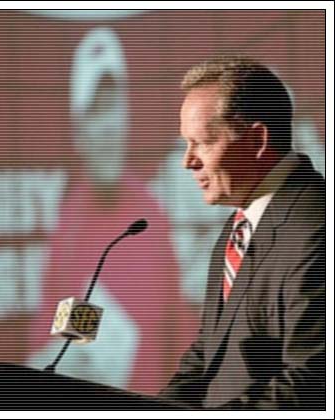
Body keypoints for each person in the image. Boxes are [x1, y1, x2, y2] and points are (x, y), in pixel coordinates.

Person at [28, 27, 199, 395]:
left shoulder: (149, 211)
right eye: (95, 111)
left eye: (115, 108)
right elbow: (54, 344)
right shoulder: (70, 227)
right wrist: (61, 359)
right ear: (78, 133)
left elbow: (176, 325)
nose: (108, 126)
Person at [159, 56, 325, 409]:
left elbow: (315, 376)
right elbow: (209, 349)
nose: (187, 161)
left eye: (201, 143)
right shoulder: (240, 223)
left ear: (257, 140)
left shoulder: (317, 226)